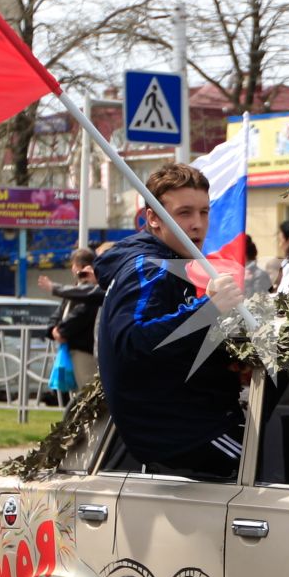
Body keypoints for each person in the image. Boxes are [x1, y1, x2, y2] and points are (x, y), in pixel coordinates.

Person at [94, 163, 247, 478]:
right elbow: (134, 341)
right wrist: (210, 308)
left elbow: (171, 347)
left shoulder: (166, 265)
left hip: (187, 427)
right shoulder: (149, 269)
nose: (198, 225)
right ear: (153, 218)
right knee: (286, 465)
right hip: (186, 435)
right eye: (185, 213)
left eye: (204, 212)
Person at [36, 248, 100, 388]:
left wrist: (63, 330)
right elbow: (59, 312)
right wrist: (53, 329)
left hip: (84, 349)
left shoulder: (94, 290)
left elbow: (82, 312)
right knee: (78, 395)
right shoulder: (74, 290)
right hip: (71, 347)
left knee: (87, 391)